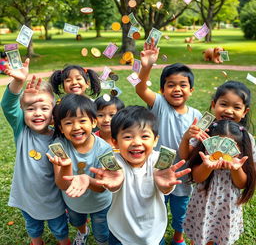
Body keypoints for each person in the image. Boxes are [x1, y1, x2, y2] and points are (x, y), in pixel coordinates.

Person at [63, 106, 192, 245]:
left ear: (155, 140)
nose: (136, 142)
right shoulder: (113, 162)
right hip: (120, 233)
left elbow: (165, 188)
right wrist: (94, 181)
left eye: (144, 136)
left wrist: (165, 187)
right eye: (128, 136)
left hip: (154, 232)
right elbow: (112, 186)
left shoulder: (159, 161)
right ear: (115, 142)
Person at [135, 40, 202, 245]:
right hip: (156, 172)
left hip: (183, 174)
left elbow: (197, 149)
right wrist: (147, 67)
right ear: (162, 90)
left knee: (181, 212)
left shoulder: (196, 115)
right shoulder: (160, 105)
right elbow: (140, 89)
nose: (177, 89)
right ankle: (157, 238)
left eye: (183, 85)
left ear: (191, 90)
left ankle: (178, 238)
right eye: (170, 85)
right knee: (155, 210)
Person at [1, 59, 70, 245]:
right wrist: (18, 83)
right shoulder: (22, 131)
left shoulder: (61, 137)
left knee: (60, 230)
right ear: (22, 111)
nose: (37, 113)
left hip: (53, 199)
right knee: (33, 228)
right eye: (30, 108)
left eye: (44, 108)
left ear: (54, 112)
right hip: (27, 198)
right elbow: (8, 105)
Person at [46, 93, 112, 245]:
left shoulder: (104, 149)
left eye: (82, 120)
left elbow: (102, 188)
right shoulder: (59, 146)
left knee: (102, 232)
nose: (76, 127)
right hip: (73, 202)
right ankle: (83, 232)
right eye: (68, 123)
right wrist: (66, 166)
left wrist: (88, 181)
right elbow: (62, 185)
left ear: (93, 122)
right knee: (76, 221)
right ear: (61, 128)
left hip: (100, 203)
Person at [183, 119, 256, 245]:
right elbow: (197, 178)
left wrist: (236, 169)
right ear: (209, 145)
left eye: (229, 150)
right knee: (200, 237)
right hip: (203, 205)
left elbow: (242, 184)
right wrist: (207, 166)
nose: (222, 156)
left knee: (221, 236)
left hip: (227, 208)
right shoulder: (205, 157)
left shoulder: (238, 162)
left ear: (239, 150)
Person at [179, 80, 256, 168]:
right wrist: (186, 137)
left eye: (237, 107)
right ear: (213, 105)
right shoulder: (203, 131)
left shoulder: (247, 138)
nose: (229, 111)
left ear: (245, 112)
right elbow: (185, 156)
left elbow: (252, 171)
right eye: (224, 104)